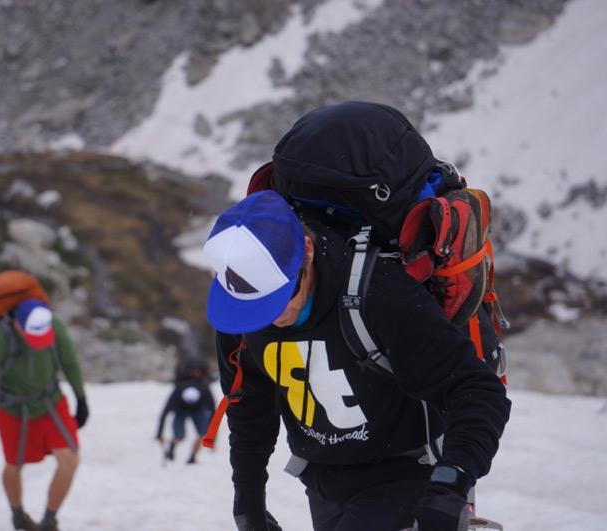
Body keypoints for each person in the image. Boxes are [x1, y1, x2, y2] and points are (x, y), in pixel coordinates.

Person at [202, 104, 511, 531]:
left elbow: (478, 390)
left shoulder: (375, 293)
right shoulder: (243, 303)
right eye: (256, 307)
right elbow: (249, 403)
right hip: (323, 480)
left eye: (280, 298)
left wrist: (449, 486)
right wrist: (249, 505)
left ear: (307, 252)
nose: (271, 317)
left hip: (409, 473)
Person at [0, 298, 89, 531]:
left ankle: (48, 522)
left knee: (70, 459)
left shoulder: (54, 326)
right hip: (12, 410)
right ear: (18, 325)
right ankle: (18, 516)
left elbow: (70, 363)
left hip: (50, 403)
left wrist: (81, 399)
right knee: (14, 464)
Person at [156, 356, 216, 464]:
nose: (195, 374)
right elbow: (165, 411)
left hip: (198, 410)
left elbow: (214, 412)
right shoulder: (179, 389)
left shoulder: (204, 388)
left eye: (198, 372)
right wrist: (159, 434)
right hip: (181, 410)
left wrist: (212, 438)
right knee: (179, 437)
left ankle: (192, 457)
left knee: (202, 434)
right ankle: (173, 444)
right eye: (192, 371)